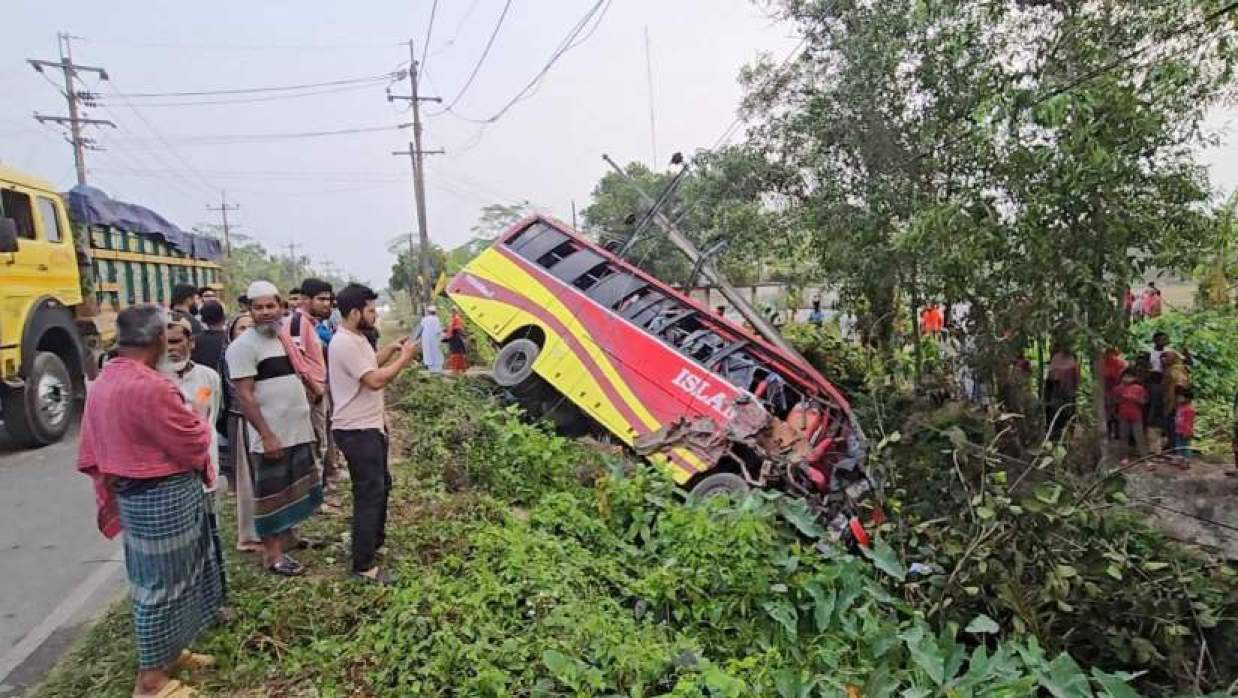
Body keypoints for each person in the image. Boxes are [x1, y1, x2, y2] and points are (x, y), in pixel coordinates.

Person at [76, 305, 222, 698]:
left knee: (171, 577)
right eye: (168, 337)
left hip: (144, 491)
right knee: (161, 586)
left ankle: (169, 653)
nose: (171, 344)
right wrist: (195, 418)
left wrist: (193, 414)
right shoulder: (150, 385)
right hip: (160, 495)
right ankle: (151, 681)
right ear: (159, 339)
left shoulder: (112, 377)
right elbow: (194, 438)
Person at [225, 281, 322, 576]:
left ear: (281, 306)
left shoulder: (282, 339)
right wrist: (266, 434)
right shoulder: (243, 347)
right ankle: (273, 555)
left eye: (270, 306)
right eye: (259, 307)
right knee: (271, 495)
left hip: (296, 428)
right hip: (272, 434)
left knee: (294, 488)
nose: (266, 312)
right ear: (249, 310)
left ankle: (290, 538)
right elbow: (245, 395)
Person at [329, 284, 419, 584]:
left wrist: (390, 350)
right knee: (368, 493)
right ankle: (363, 565)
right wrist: (404, 360)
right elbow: (374, 381)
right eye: (370, 310)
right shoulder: (343, 343)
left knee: (381, 487)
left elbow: (367, 365)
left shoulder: (357, 339)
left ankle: (373, 542)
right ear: (354, 313)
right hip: (356, 429)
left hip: (370, 426)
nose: (374, 315)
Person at [289, 278, 338, 486]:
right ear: (305, 300)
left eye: (328, 299)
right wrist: (314, 388)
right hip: (311, 392)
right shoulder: (298, 323)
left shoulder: (312, 324)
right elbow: (297, 361)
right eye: (321, 299)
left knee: (322, 440)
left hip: (318, 389)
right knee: (315, 442)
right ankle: (315, 495)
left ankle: (320, 486)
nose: (327, 303)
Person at [224, 312, 261, 551]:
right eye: (241, 328)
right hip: (242, 421)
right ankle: (249, 535)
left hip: (265, 419)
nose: (246, 332)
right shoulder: (229, 358)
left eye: (251, 328)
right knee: (248, 479)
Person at [1111, 368, 1148, 461]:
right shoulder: (1118, 389)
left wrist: (1136, 400)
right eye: (1125, 376)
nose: (1127, 379)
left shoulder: (1139, 388)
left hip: (1136, 416)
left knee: (1139, 436)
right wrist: (1122, 400)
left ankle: (1144, 456)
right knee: (1123, 436)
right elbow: (1113, 401)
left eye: (1130, 377)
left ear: (1134, 378)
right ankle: (1124, 456)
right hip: (1123, 415)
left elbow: (1144, 401)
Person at [1044, 345, 1080, 440]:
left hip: (1066, 393)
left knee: (1067, 415)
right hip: (1056, 394)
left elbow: (1076, 380)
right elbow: (1050, 378)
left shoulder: (1070, 360)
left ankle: (1066, 437)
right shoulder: (1057, 359)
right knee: (1056, 416)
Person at [1160, 350, 1190, 453]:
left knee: (1173, 424)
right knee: (1169, 423)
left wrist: (1178, 399)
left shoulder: (1176, 369)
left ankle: (1175, 447)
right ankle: (1172, 445)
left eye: (1166, 357)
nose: (1163, 360)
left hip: (1174, 401)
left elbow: (1180, 385)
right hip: (1169, 398)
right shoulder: (1169, 369)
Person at [1100, 347, 1128, 440]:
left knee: (1117, 411)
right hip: (1108, 391)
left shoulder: (1121, 363)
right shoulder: (1103, 363)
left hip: (1118, 390)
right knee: (1109, 412)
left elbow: (1124, 376)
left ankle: (1117, 433)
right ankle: (1110, 433)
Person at [413, 306, 444, 373]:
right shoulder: (436, 319)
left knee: (428, 353)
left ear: (428, 312)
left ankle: (431, 370)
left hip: (426, 339)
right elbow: (438, 330)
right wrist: (442, 338)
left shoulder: (424, 319)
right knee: (436, 354)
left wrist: (415, 339)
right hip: (434, 339)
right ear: (435, 312)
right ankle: (437, 371)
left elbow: (420, 330)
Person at [1171, 388, 1196, 466]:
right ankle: (1180, 459)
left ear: (1187, 399)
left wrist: (1188, 432)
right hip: (1178, 430)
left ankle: (1186, 461)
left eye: (1180, 397)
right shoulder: (1180, 407)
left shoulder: (1190, 409)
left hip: (1185, 431)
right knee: (1178, 446)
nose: (1178, 399)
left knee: (1185, 447)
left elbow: (1189, 422)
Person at [444, 308, 469, 375]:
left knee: (456, 354)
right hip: (453, 338)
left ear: (455, 312)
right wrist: (447, 332)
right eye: (451, 311)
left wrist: (452, 331)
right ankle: (457, 369)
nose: (451, 313)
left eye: (453, 311)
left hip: (456, 337)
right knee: (455, 353)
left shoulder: (457, 319)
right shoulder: (452, 319)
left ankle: (456, 370)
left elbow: (458, 328)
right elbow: (451, 328)